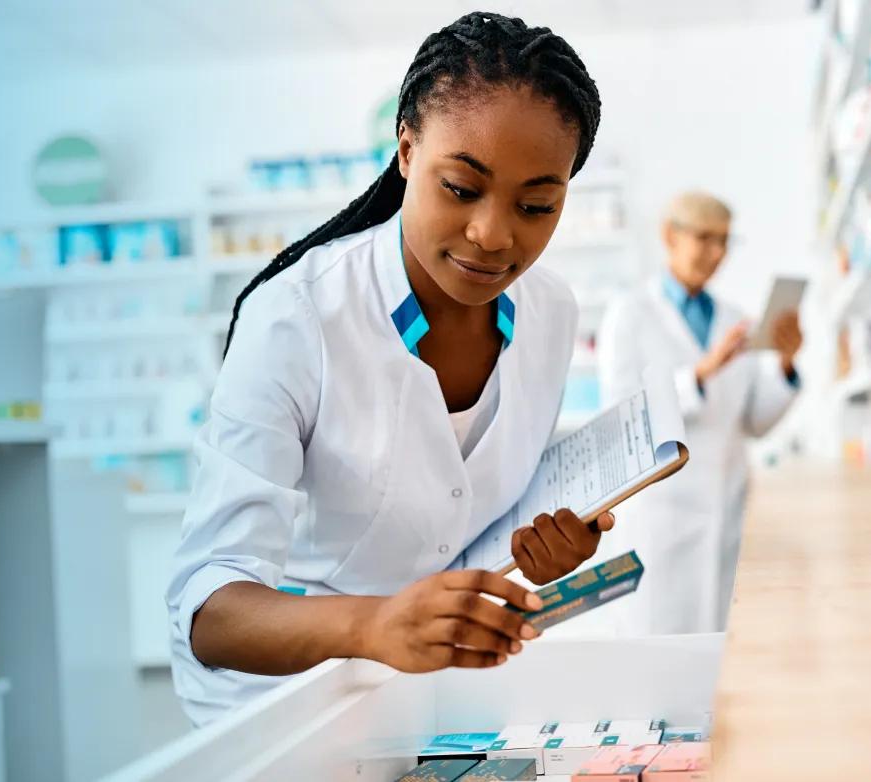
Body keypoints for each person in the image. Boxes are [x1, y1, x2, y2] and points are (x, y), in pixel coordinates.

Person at [167, 12, 611, 726]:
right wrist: (371, 627)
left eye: (536, 205)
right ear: (407, 151)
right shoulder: (295, 319)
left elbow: (459, 516)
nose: (494, 235)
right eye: (462, 189)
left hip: (427, 696)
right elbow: (210, 613)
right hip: (276, 709)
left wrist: (544, 543)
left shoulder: (550, 310)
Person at [597, 192, 802, 634]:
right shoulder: (629, 315)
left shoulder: (734, 319)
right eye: (705, 238)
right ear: (670, 236)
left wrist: (785, 363)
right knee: (655, 652)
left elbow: (754, 422)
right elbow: (621, 416)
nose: (716, 253)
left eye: (725, 241)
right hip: (659, 516)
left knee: (715, 652)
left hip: (723, 508)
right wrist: (702, 373)